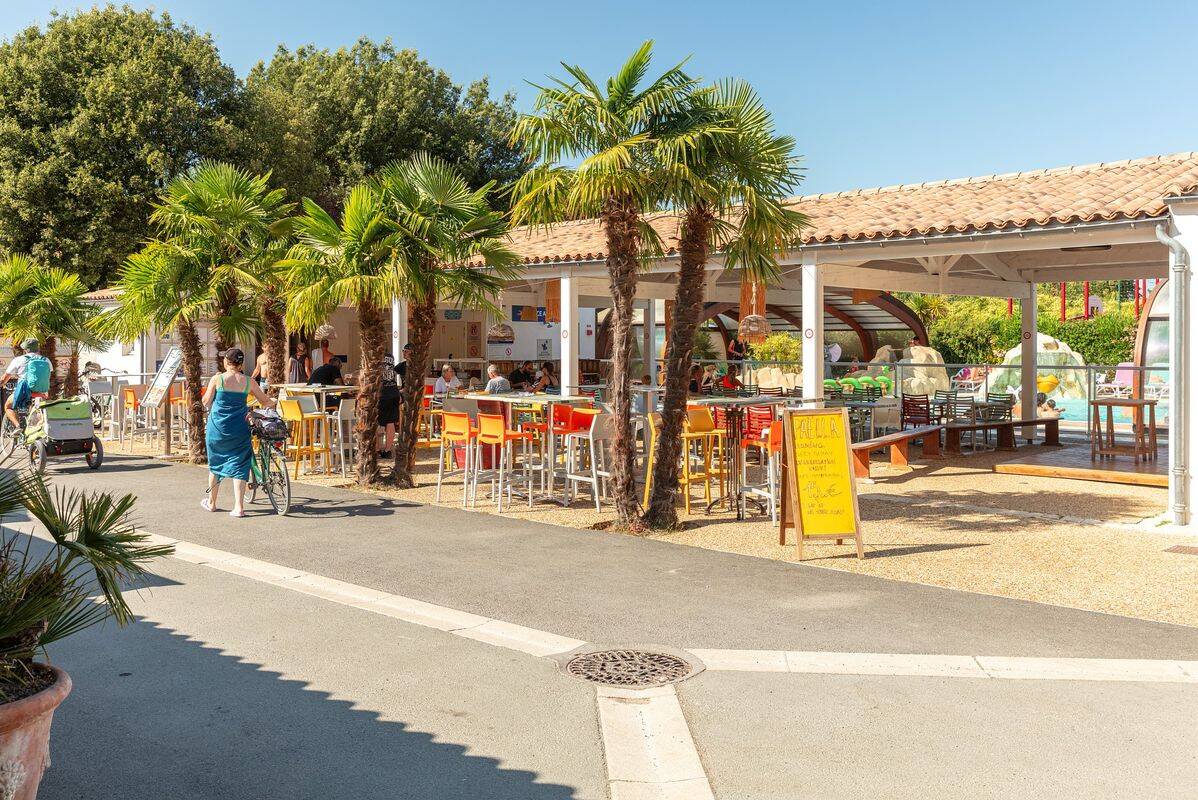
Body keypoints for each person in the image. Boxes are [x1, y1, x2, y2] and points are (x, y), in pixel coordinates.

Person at [201, 348, 275, 518]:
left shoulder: (217, 379)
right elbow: (265, 401)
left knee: (215, 464)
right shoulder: (248, 382)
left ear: (226, 362)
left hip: (217, 429)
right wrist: (275, 405)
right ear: (241, 364)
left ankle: (212, 503)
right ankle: (239, 507)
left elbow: (206, 401)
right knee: (240, 465)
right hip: (239, 429)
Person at [2, 338, 51, 429]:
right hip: (42, 393)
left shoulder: (19, 360)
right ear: (38, 348)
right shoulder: (46, 360)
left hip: (24, 391)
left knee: (8, 407)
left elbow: (4, 379)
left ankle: (18, 427)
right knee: (40, 411)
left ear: (25, 350)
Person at [376, 352, 402, 458]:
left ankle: (377, 449)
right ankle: (387, 450)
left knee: (377, 421)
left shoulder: (376, 358)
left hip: (381, 393)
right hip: (393, 391)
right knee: (390, 422)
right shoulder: (390, 358)